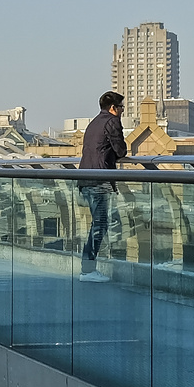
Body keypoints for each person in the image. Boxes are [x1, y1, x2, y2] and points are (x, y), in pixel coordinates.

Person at [78, 91, 126, 283]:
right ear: (113, 108)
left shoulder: (94, 122)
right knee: (100, 224)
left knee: (98, 223)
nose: (123, 111)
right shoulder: (112, 122)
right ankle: (88, 270)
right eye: (121, 107)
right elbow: (121, 150)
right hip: (99, 179)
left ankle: (88, 267)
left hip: (85, 177)